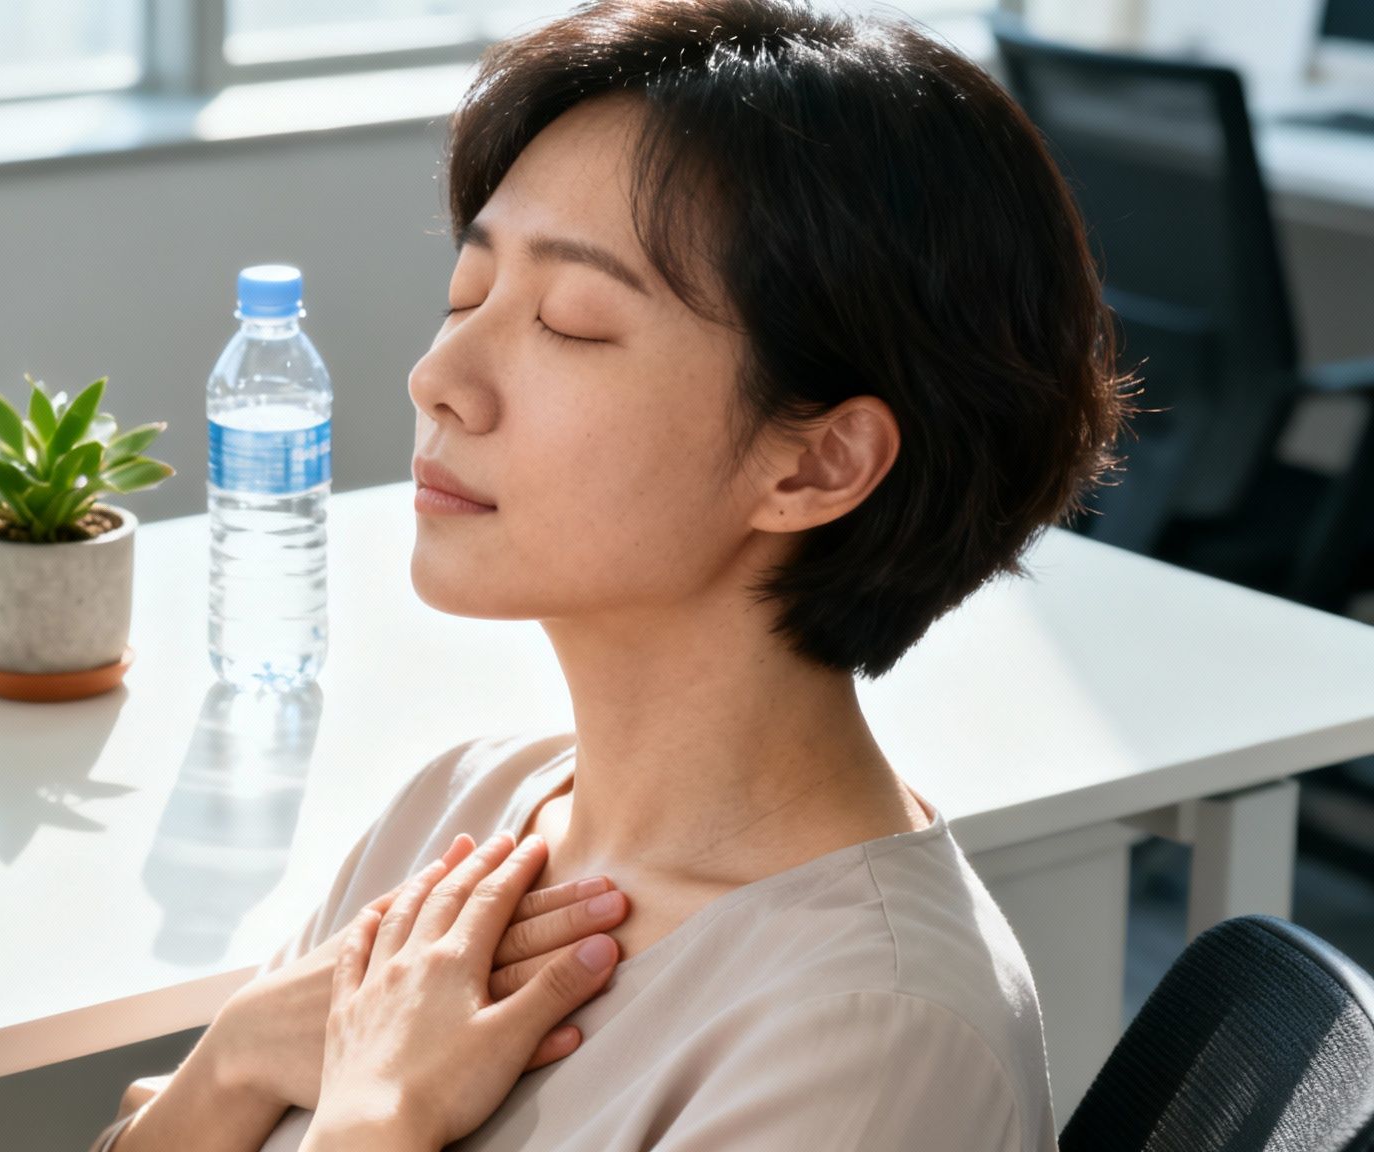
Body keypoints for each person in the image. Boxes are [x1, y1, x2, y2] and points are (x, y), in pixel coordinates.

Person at [94, 0, 1129, 1147]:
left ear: (818, 462)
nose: (438, 375)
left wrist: (374, 1118)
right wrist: (236, 1059)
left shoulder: (868, 1042)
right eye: (466, 294)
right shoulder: (463, 810)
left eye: (571, 324)